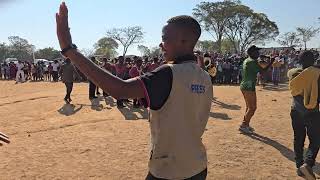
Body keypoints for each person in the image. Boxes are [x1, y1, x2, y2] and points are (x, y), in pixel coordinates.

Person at [56, 3, 212, 179]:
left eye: (165, 38)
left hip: (169, 171)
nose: (161, 44)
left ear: (184, 41)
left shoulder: (169, 73)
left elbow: (120, 89)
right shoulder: (204, 76)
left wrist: (70, 50)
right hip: (197, 166)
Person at [288, 51, 320, 180]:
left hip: (295, 111)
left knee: (298, 138)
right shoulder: (316, 75)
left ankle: (299, 165)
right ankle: (307, 164)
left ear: (299, 61)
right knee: (315, 140)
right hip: (312, 112)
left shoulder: (292, 73)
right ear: (313, 61)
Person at [239, 45, 275, 134]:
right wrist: (271, 63)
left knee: (249, 107)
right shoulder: (252, 62)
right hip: (249, 86)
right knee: (252, 108)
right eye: (256, 52)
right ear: (252, 53)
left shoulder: (247, 60)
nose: (258, 53)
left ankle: (246, 124)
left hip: (245, 85)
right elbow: (262, 71)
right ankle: (243, 125)